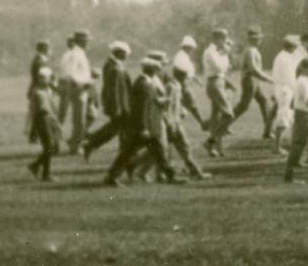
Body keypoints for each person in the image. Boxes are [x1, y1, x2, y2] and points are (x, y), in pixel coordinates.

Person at [104, 52, 177, 185]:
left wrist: (161, 101)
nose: (159, 71)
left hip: (146, 125)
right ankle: (112, 176)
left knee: (156, 150)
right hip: (143, 126)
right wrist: (144, 128)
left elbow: (150, 101)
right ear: (153, 70)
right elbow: (142, 108)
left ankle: (170, 176)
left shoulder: (144, 82)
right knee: (130, 152)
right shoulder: (144, 84)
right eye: (158, 69)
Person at [82, 42, 133, 161]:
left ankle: (91, 143)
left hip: (122, 104)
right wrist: (117, 108)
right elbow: (112, 89)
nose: (127, 56)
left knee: (116, 129)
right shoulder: (113, 66)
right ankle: (92, 143)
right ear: (119, 52)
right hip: (119, 105)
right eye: (125, 53)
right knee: (117, 129)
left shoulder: (115, 64)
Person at [163, 64, 211, 179]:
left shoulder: (176, 85)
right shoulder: (171, 86)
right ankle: (196, 172)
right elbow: (167, 106)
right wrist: (171, 121)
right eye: (185, 77)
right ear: (180, 76)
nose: (187, 80)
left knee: (171, 147)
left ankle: (136, 166)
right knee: (183, 146)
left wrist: (181, 111)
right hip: (173, 122)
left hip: (174, 121)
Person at [229, 26, 275, 139]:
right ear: (254, 39)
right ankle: (221, 125)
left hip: (254, 81)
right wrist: (268, 78)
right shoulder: (250, 50)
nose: (261, 40)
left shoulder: (252, 49)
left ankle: (268, 131)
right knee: (243, 107)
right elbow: (253, 69)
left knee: (264, 101)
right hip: (249, 81)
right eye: (259, 38)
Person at [200, 27, 235, 156]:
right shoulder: (210, 52)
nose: (225, 42)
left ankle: (217, 149)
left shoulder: (216, 51)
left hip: (218, 82)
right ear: (216, 39)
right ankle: (210, 142)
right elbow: (220, 68)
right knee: (228, 115)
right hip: (214, 83)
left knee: (216, 117)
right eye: (223, 39)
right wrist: (225, 54)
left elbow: (225, 69)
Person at [58, 30, 94, 150]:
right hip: (79, 89)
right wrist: (80, 85)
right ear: (80, 41)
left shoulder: (79, 53)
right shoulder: (75, 54)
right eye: (86, 40)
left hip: (81, 88)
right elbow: (69, 73)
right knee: (79, 120)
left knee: (81, 118)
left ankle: (75, 142)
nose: (88, 42)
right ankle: (75, 145)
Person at [27, 67, 61, 181]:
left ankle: (36, 167)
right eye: (41, 78)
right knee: (49, 146)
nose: (44, 80)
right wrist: (32, 129)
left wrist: (56, 123)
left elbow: (54, 106)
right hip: (42, 119)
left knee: (53, 147)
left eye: (46, 78)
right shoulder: (36, 92)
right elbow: (33, 111)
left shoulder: (50, 90)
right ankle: (44, 173)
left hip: (51, 119)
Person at [269, 34, 300, 152]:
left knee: (287, 115)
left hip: (282, 88)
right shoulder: (285, 58)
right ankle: (277, 147)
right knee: (284, 115)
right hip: (285, 89)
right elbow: (290, 77)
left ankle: (283, 144)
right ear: (291, 47)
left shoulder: (282, 56)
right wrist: (296, 90)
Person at [25, 41, 52, 143]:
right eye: (48, 48)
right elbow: (42, 77)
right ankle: (34, 136)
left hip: (37, 88)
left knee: (38, 113)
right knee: (40, 113)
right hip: (39, 89)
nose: (50, 50)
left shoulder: (39, 60)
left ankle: (33, 136)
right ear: (44, 49)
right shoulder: (40, 61)